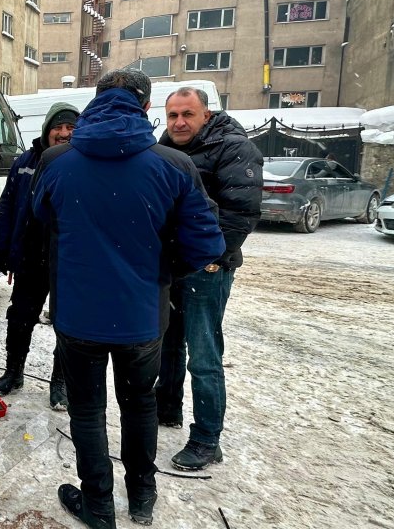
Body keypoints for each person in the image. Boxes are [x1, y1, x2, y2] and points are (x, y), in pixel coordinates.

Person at [28, 70, 224, 528]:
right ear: (145, 108)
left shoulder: (57, 160)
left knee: (87, 410)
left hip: (78, 315)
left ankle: (98, 505)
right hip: (142, 315)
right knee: (140, 404)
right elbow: (207, 245)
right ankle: (142, 497)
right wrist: (159, 270)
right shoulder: (173, 164)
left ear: (97, 103)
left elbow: (41, 215)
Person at [156, 87, 264, 471]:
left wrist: (211, 258)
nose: (179, 122)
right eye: (173, 116)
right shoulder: (164, 149)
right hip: (174, 266)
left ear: (206, 114)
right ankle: (165, 408)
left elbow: (241, 213)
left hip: (208, 268)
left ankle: (206, 439)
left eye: (188, 114)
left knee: (203, 355)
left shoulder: (233, 148)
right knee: (169, 343)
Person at [0, 101, 77, 409]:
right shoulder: (25, 161)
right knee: (19, 317)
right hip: (30, 256)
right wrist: (1, 247)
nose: (64, 133)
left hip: (68, 261)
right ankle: (13, 372)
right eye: (59, 126)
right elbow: (7, 205)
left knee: (67, 324)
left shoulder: (83, 162)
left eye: (71, 127)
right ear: (47, 129)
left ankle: (61, 383)